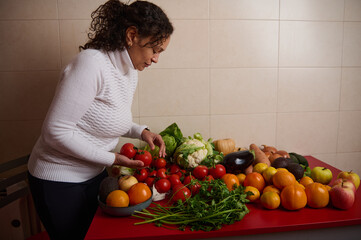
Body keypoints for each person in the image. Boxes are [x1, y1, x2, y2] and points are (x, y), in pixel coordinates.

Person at [27, 0, 173, 239]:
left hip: (94, 175)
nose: (156, 59)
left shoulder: (129, 71)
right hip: (58, 180)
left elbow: (106, 118)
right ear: (132, 35)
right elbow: (55, 132)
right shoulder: (91, 64)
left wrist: (141, 131)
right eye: (154, 50)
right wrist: (112, 158)